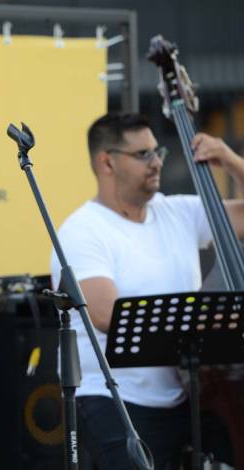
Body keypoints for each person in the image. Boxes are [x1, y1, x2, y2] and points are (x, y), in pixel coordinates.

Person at [50, 112, 243, 469]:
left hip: (184, 394)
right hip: (112, 398)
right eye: (143, 154)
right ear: (106, 162)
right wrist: (207, 321)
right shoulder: (82, 231)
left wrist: (231, 160)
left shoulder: (178, 212)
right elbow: (106, 315)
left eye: (158, 151)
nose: (156, 162)